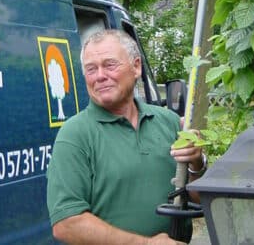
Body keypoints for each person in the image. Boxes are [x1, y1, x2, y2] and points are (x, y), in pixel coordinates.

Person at [46, 29, 206, 245]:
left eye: (110, 64)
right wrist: (146, 244)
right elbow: (67, 224)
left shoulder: (167, 121)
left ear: (136, 66)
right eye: (91, 69)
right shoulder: (75, 135)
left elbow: (201, 201)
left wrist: (197, 162)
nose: (100, 75)